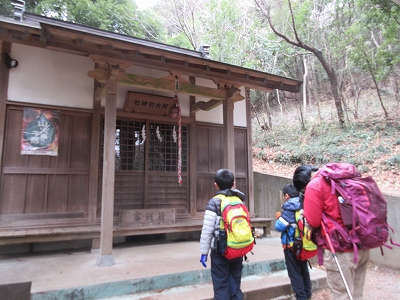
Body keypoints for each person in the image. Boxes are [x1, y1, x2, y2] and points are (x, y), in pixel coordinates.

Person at [293, 164, 370, 300]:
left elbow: (314, 221)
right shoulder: (340, 177)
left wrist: (305, 214)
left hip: (340, 251)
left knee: (341, 295)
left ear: (304, 186)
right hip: (361, 244)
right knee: (357, 294)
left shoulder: (315, 186)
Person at [199, 168, 245, 300]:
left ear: (216, 185)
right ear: (233, 184)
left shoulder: (214, 202)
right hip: (237, 248)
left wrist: (203, 252)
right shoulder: (239, 201)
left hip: (220, 250)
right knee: (235, 283)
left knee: (221, 284)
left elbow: (207, 230)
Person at [275, 183, 312, 300]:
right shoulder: (304, 204)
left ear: (287, 195)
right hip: (304, 244)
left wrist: (279, 218)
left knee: (295, 273)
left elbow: (279, 227)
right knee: (304, 270)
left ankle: (301, 297)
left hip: (291, 247)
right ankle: (308, 295)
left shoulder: (290, 207)